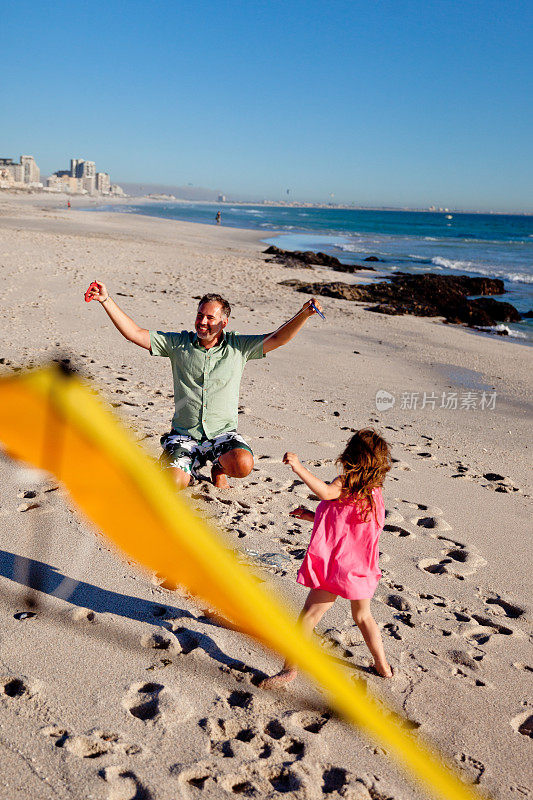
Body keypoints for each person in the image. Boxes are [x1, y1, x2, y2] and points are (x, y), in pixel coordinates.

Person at [85, 282, 323, 489]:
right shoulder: (178, 344)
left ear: (223, 322)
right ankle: (182, 468)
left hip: (223, 435)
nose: (202, 322)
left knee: (243, 465)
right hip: (184, 436)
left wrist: (303, 314)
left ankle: (218, 468)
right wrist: (106, 299)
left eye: (210, 318)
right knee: (174, 484)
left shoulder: (238, 347)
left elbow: (277, 338)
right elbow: (134, 333)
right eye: (200, 315)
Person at [260, 429, 393, 687]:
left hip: (337, 567)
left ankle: (290, 668)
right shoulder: (374, 494)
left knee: (309, 616)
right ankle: (383, 665)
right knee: (363, 617)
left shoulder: (344, 484)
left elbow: (326, 493)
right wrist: (312, 516)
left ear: (350, 457)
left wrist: (298, 467)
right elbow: (350, 522)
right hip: (362, 567)